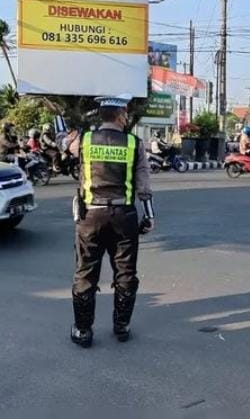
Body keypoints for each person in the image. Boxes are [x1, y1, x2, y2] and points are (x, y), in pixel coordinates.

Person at [71, 94, 154, 348]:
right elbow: (143, 185)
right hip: (123, 217)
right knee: (126, 273)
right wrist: (149, 215)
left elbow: (65, 142)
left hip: (91, 217)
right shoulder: (133, 143)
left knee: (86, 273)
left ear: (101, 114)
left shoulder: (83, 141)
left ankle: (83, 330)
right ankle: (121, 326)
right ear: (121, 115)